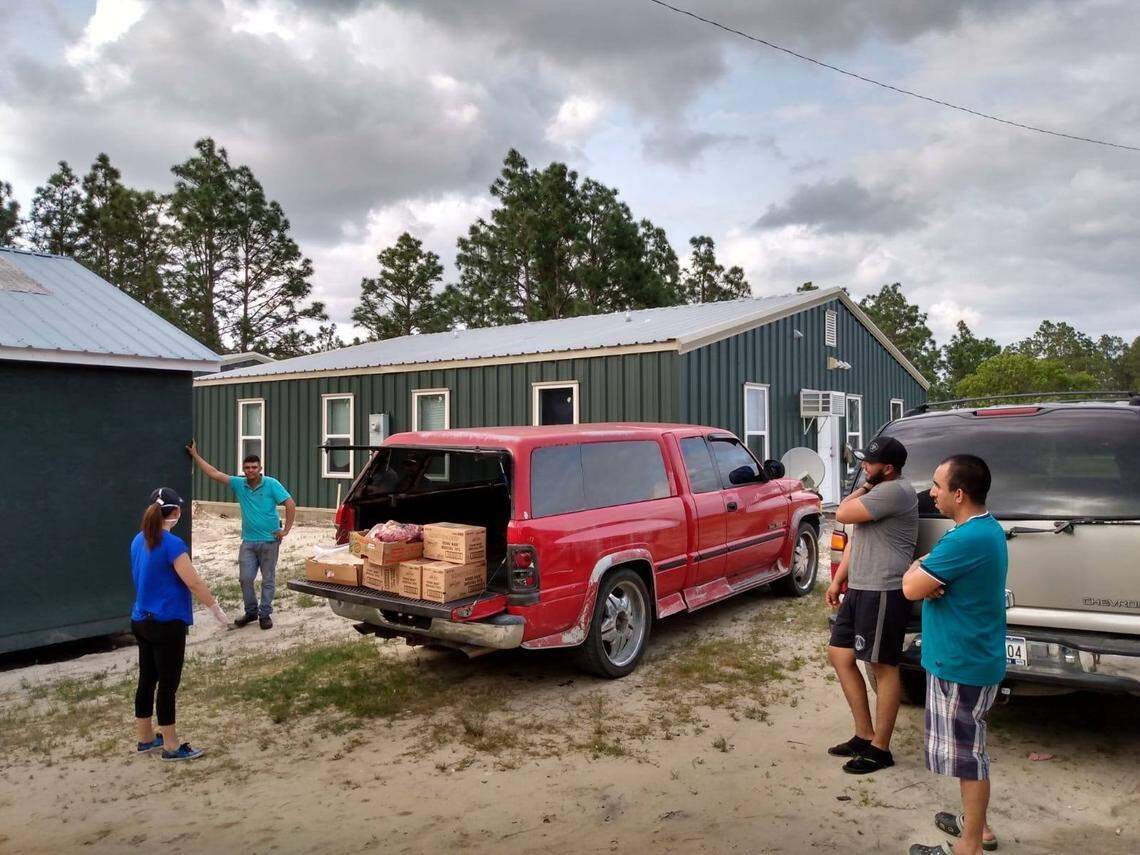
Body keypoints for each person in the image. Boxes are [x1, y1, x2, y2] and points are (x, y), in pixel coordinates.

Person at [902, 455, 1007, 855]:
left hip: (962, 665)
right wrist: (919, 572)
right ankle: (975, 826)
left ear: (958, 494)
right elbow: (918, 574)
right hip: (966, 659)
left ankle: (970, 846)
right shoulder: (981, 530)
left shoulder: (966, 539)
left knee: (968, 758)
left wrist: (918, 576)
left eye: (937, 486)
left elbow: (910, 588)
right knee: (969, 752)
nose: (931, 493)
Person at [826, 436, 918, 774]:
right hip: (860, 588)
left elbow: (844, 512)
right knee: (840, 654)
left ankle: (880, 748)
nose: (864, 465)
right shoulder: (879, 491)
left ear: (889, 468)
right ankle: (863, 735)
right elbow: (855, 537)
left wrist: (864, 486)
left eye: (869, 462)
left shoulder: (894, 491)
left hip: (884, 589)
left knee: (882, 665)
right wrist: (839, 581)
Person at [132, 487, 232, 762]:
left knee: (147, 679)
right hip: (167, 622)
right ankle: (172, 746)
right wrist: (216, 609)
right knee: (167, 684)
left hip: (141, 619)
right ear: (174, 512)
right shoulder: (173, 545)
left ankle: (145, 737)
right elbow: (193, 581)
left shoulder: (138, 540)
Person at [187, 441, 296, 630]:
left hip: (270, 540)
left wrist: (285, 530)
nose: (250, 470)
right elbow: (214, 473)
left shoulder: (271, 484)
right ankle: (251, 611)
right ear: (243, 469)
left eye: (254, 467)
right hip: (248, 541)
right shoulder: (239, 484)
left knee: (268, 579)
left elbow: (290, 504)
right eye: (247, 467)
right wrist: (195, 455)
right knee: (245, 578)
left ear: (260, 468)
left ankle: (265, 614)